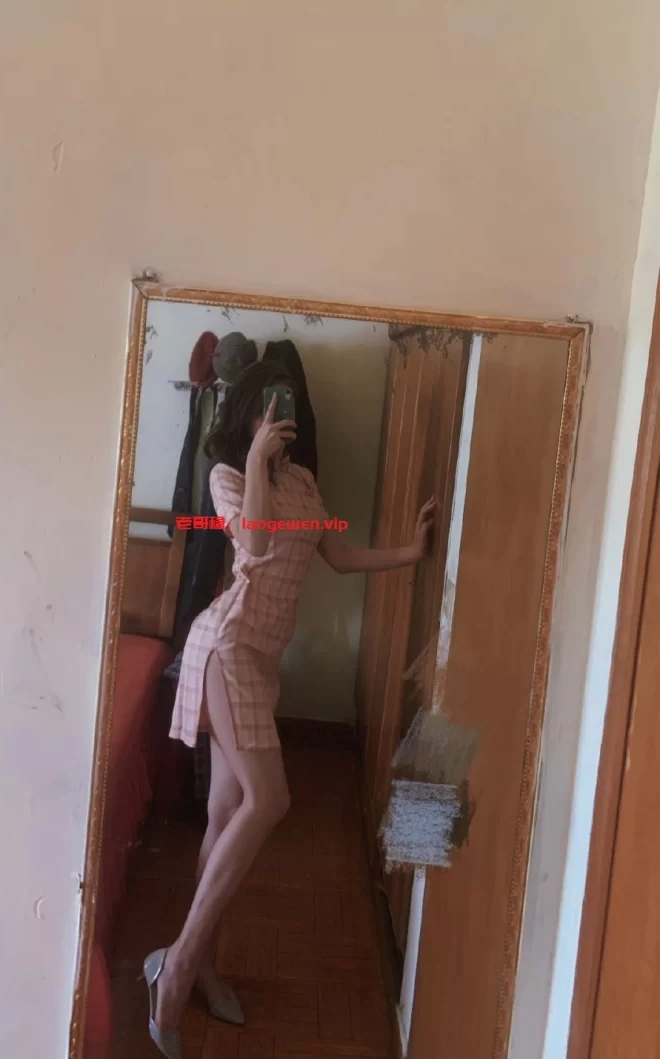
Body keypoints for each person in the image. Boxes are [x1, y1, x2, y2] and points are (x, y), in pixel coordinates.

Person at [143, 361, 437, 1059]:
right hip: (227, 646)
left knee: (225, 813)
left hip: (263, 659)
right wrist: (253, 457)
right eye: (269, 404)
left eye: (289, 404)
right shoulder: (228, 477)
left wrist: (412, 551)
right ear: (249, 411)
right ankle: (176, 966)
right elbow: (254, 543)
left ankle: (197, 961)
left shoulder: (304, 483)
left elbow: (338, 554)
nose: (281, 413)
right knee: (269, 799)